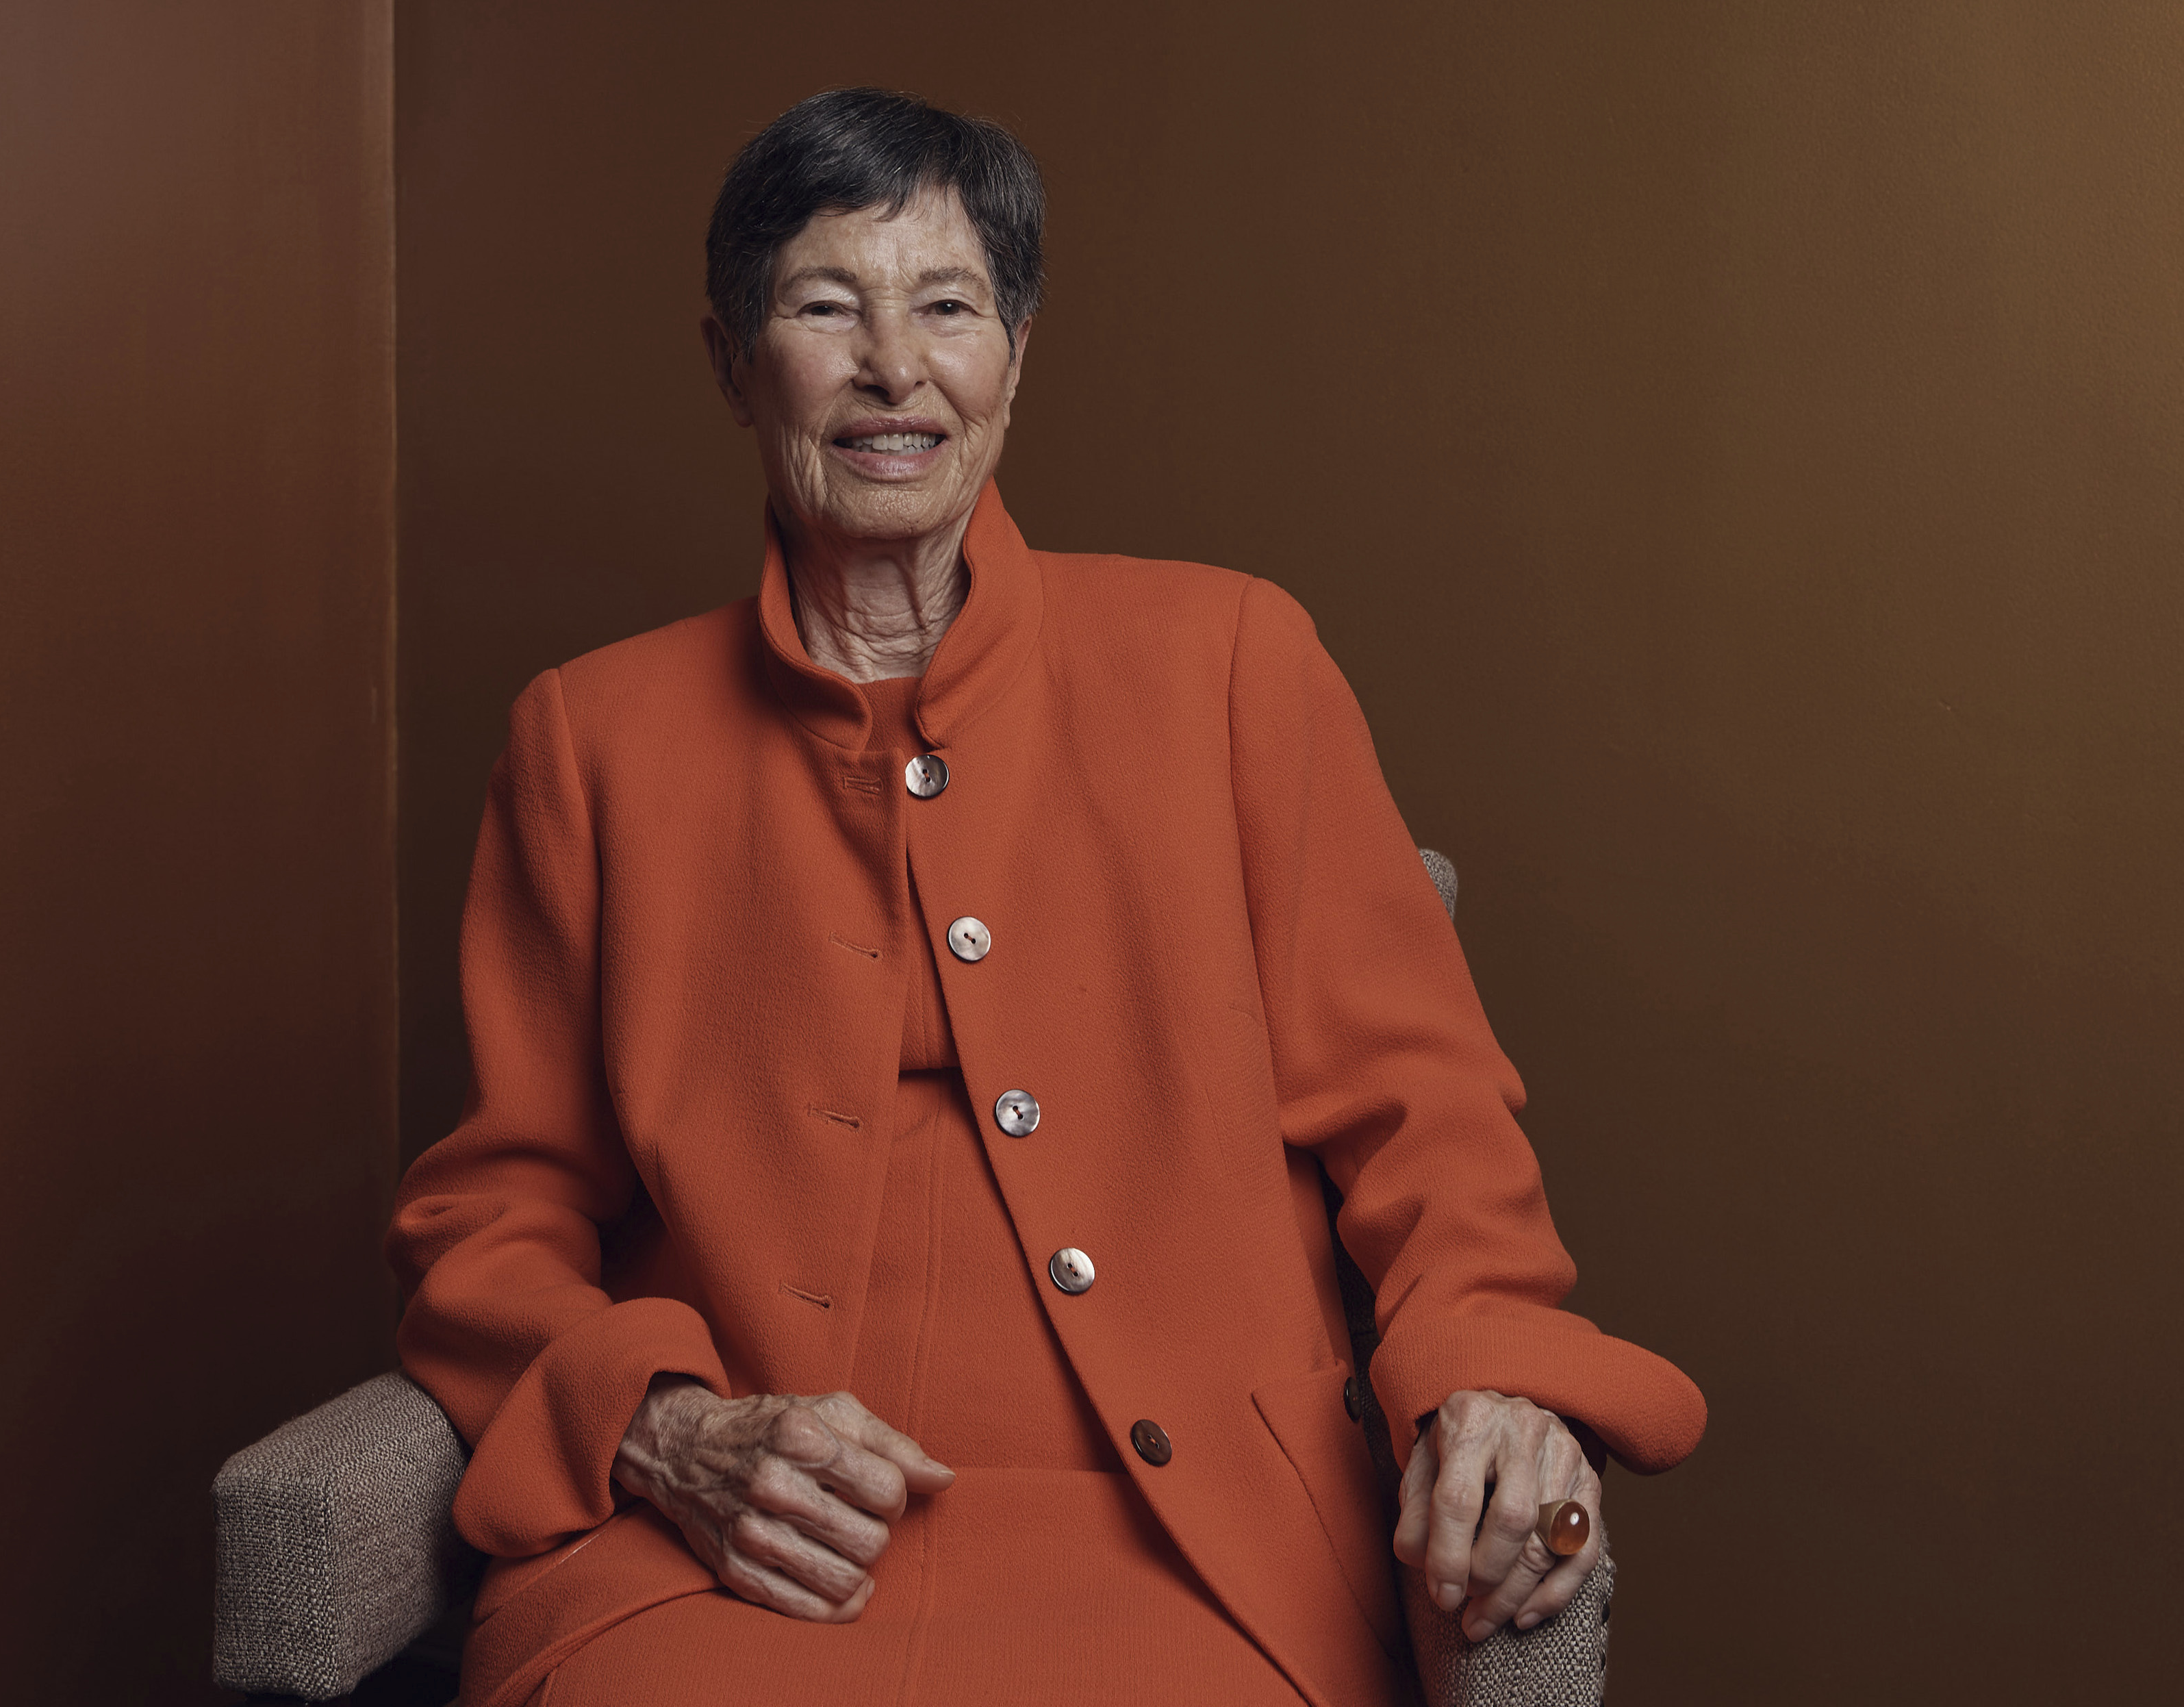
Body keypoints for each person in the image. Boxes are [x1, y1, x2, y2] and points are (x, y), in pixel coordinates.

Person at [387, 87, 1704, 1707]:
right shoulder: (588, 738)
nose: (894, 368)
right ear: (734, 364)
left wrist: (1489, 1373)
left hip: (1180, 1536)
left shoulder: (1232, 661)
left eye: (946, 307)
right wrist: (669, 1425)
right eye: (823, 307)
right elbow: (493, 1215)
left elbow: (1422, 1114)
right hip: (736, 1549)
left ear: (1015, 351)